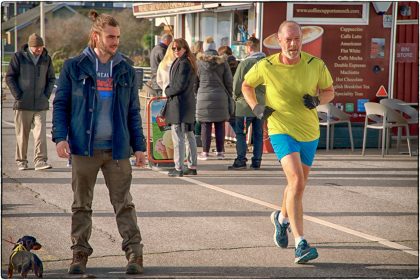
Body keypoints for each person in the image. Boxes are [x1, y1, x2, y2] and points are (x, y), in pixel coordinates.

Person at [51, 10, 147, 275]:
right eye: (110, 37)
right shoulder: (74, 67)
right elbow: (61, 105)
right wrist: (60, 138)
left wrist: (139, 147)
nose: (115, 42)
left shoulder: (126, 68)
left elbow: (133, 112)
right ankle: (79, 255)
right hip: (84, 148)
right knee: (81, 205)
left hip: (117, 150)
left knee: (124, 204)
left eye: (118, 37)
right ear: (96, 37)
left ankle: (134, 254)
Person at [242, 21, 334, 264]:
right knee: (295, 180)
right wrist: (256, 106)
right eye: (288, 39)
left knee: (299, 185)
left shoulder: (315, 64)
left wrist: (316, 99)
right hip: (281, 129)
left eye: (297, 39)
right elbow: (246, 85)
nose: (293, 44)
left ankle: (281, 219)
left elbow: (330, 91)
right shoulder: (266, 65)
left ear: (302, 40)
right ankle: (301, 243)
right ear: (279, 41)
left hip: (309, 132)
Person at [6, 33, 55, 171]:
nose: (39, 50)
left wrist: (46, 95)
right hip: (22, 104)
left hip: (40, 103)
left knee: (40, 133)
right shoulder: (19, 57)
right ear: (30, 46)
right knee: (22, 135)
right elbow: (10, 77)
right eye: (36, 47)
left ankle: (40, 160)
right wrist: (18, 95)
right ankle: (21, 161)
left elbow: (51, 78)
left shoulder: (46, 59)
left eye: (41, 47)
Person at [228, 37, 266, 170]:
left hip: (244, 104)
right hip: (261, 104)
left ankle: (241, 160)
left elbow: (237, 83)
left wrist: (235, 97)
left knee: (241, 133)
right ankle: (257, 161)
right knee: (258, 133)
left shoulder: (245, 63)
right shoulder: (267, 62)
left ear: (249, 48)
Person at [163, 38, 198, 177]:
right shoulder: (187, 61)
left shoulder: (184, 63)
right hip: (186, 103)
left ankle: (179, 168)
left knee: (178, 137)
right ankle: (192, 165)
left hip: (180, 105)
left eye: (178, 48)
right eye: (173, 48)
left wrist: (167, 91)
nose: (176, 50)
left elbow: (179, 85)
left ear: (185, 48)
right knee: (189, 136)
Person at [195, 36, 232, 160]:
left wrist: (197, 94)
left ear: (204, 48)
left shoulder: (199, 62)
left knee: (206, 125)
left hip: (203, 95)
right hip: (220, 96)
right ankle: (220, 152)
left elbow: (195, 81)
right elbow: (228, 81)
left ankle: (205, 152)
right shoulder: (223, 61)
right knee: (220, 124)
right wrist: (229, 94)